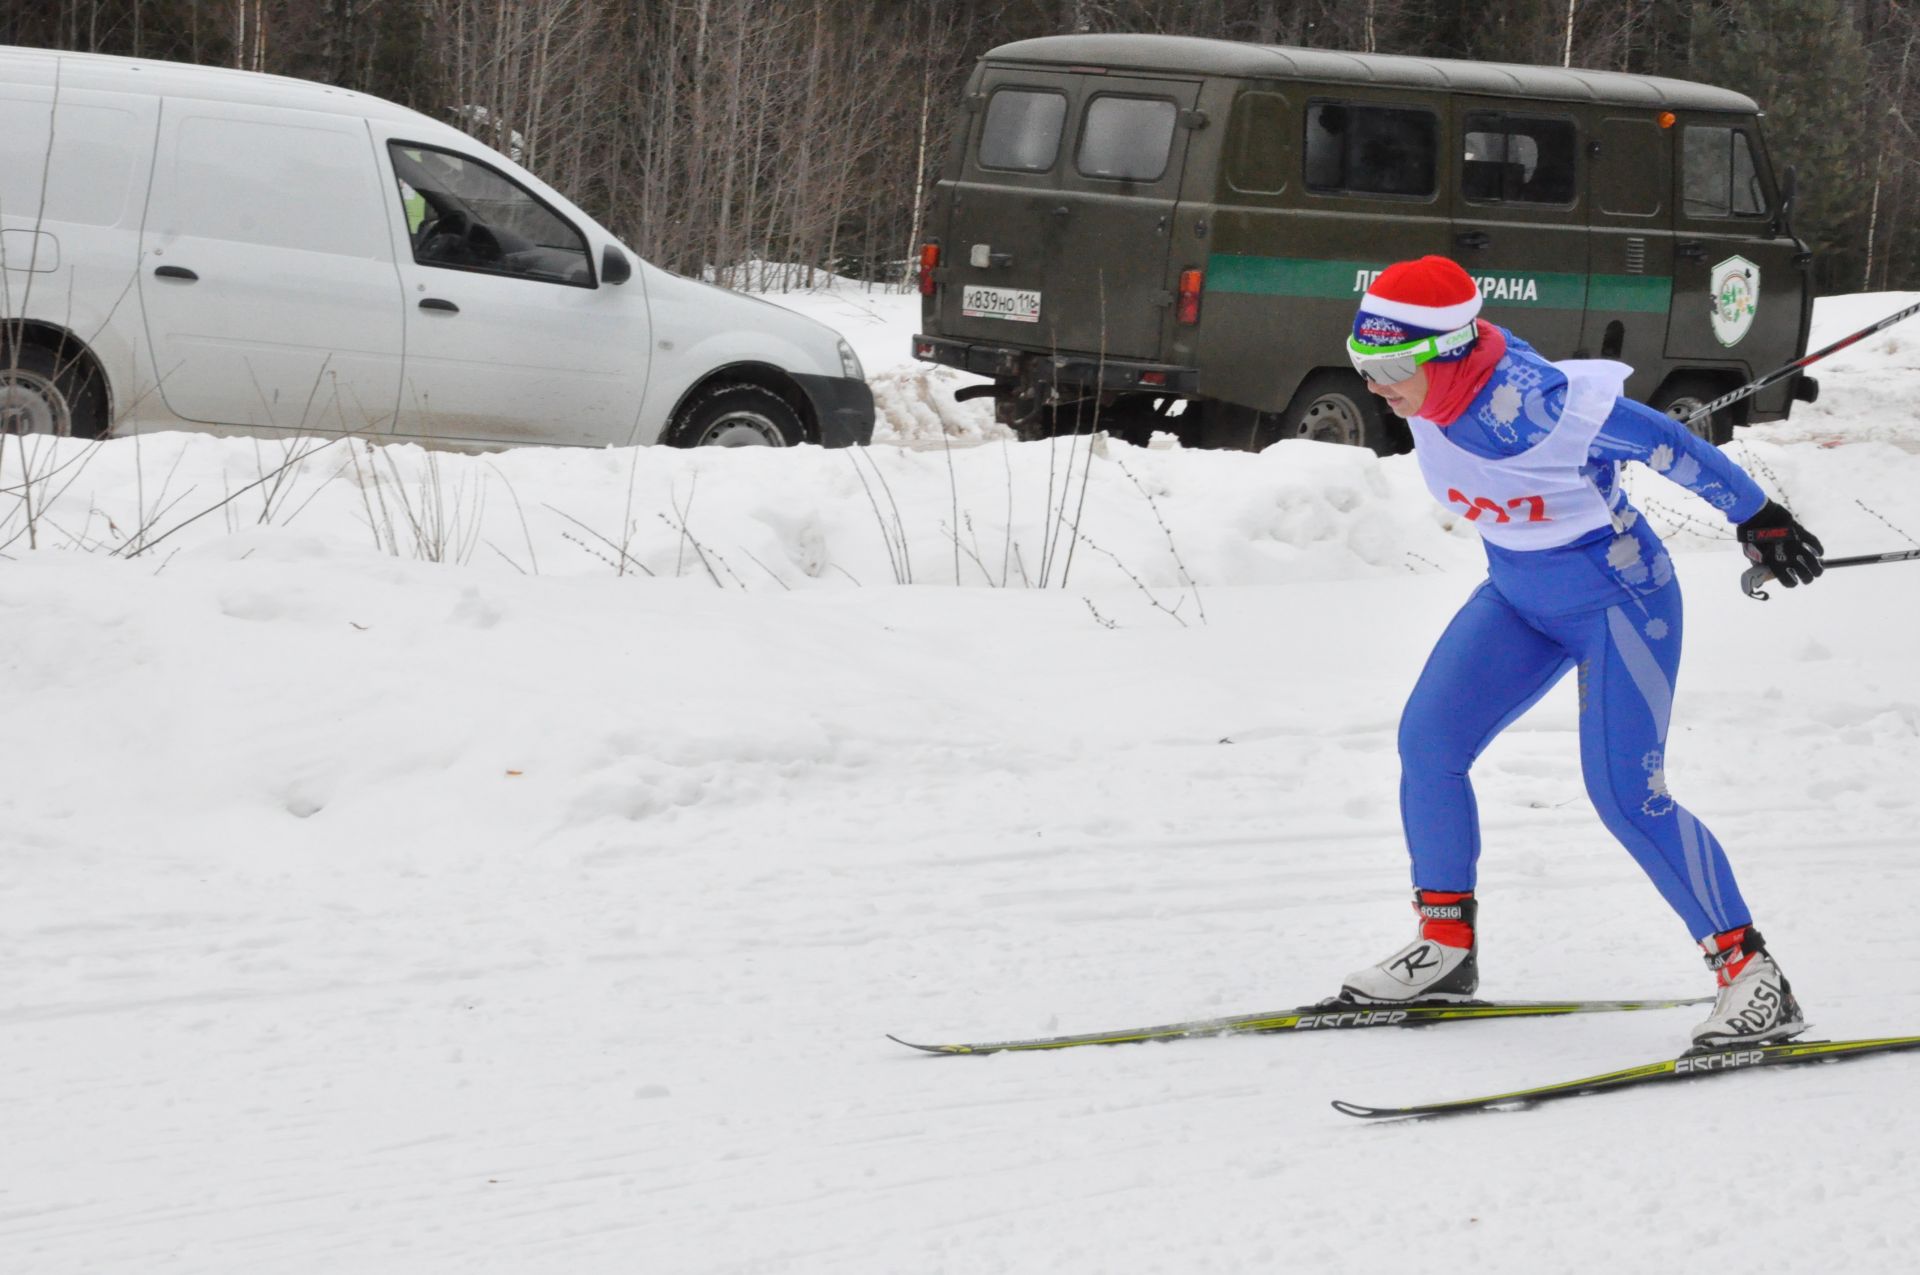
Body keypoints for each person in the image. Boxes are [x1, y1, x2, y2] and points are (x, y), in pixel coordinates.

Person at [1334, 255, 1825, 1050]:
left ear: (1448, 352)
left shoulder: (1534, 403)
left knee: (1627, 795)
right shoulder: (1433, 381)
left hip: (1617, 603)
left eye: (1388, 366)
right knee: (1429, 745)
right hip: (1518, 595)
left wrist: (1758, 514)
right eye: (1363, 362)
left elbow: (1666, 441)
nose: (1373, 383)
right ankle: (1447, 947)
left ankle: (1755, 979)